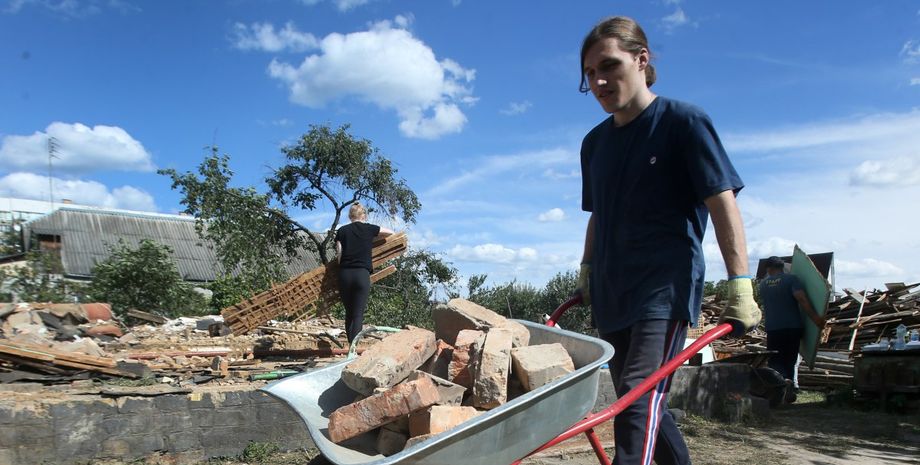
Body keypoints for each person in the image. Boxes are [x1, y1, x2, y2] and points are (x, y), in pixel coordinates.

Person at [574, 16, 761, 465]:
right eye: (590, 74)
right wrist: (587, 268)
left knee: (636, 399)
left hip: (663, 288)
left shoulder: (683, 122)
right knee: (645, 401)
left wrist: (740, 282)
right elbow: (598, 214)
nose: (599, 82)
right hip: (612, 291)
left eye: (609, 66)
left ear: (642, 60)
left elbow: (722, 202)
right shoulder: (594, 144)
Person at [758, 256, 825, 387]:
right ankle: (789, 387)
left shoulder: (763, 285)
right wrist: (815, 318)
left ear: (768, 269)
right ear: (782, 267)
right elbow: (802, 299)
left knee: (776, 360)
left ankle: (779, 387)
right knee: (790, 359)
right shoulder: (791, 279)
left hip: (773, 328)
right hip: (792, 326)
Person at [335, 202, 394, 343]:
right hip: (361, 274)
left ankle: (351, 346)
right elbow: (390, 232)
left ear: (350, 216)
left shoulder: (342, 231)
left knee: (349, 313)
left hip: (345, 274)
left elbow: (339, 253)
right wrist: (372, 238)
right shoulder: (369, 229)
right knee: (358, 315)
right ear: (364, 215)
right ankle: (353, 349)